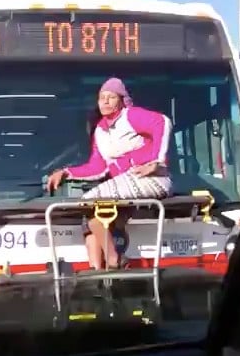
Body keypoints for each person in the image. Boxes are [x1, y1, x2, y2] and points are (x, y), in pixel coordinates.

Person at [46, 77, 173, 270]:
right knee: (90, 216)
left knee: (88, 202)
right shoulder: (100, 131)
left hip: (150, 179)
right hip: (125, 183)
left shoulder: (130, 115)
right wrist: (66, 172)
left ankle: (114, 260)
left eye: (111, 97)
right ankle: (96, 271)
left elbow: (162, 122)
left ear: (121, 100)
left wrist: (156, 161)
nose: (105, 101)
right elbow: (98, 168)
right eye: (101, 97)